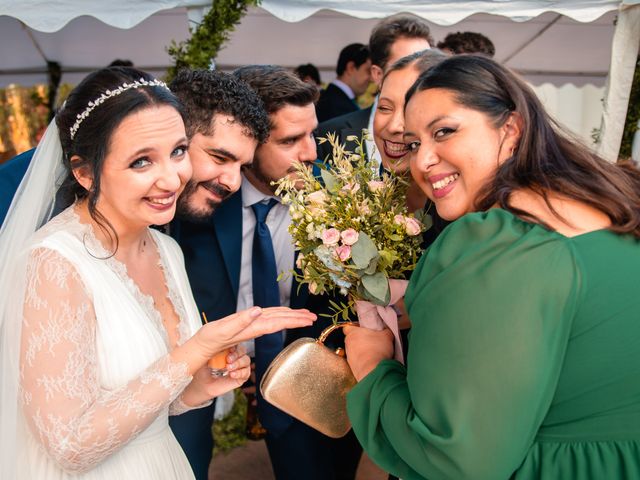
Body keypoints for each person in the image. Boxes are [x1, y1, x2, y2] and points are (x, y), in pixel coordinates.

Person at [0, 66, 316, 479]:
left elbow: (162, 395)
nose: (171, 176)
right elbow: (68, 444)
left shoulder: (165, 248)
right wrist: (195, 349)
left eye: (178, 152)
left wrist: (203, 382)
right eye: (142, 161)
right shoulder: (52, 259)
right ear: (84, 172)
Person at [343, 54, 640, 479]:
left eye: (443, 132)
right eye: (413, 144)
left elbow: (459, 459)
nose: (422, 161)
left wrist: (373, 364)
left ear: (511, 129)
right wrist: (432, 299)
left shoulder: (497, 237)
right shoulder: (613, 202)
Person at [172, 64, 362, 480]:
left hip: (304, 379)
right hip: (202, 380)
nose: (311, 152)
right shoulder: (193, 201)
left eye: (311, 134)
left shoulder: (335, 195)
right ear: (248, 141)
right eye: (290, 140)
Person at [166, 68, 272, 479]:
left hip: (189, 417)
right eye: (220, 157)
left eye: (241, 165)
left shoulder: (197, 208)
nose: (232, 181)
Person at [316, 14, 433, 168]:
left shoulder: (441, 136)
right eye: (403, 65)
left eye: (426, 67)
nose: (417, 75)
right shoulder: (329, 134)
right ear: (377, 74)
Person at [315, 43, 371, 123]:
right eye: (368, 71)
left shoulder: (324, 97)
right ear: (351, 67)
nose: (372, 78)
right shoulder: (342, 109)